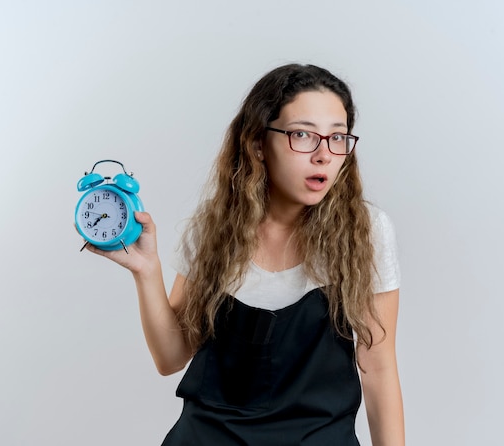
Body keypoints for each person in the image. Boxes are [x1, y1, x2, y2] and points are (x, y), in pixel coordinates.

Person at [84, 63, 405, 445]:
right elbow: (170, 358)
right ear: (257, 143)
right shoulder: (213, 228)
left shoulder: (366, 231)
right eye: (302, 135)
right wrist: (146, 270)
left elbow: (379, 368)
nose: (324, 155)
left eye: (337, 138)